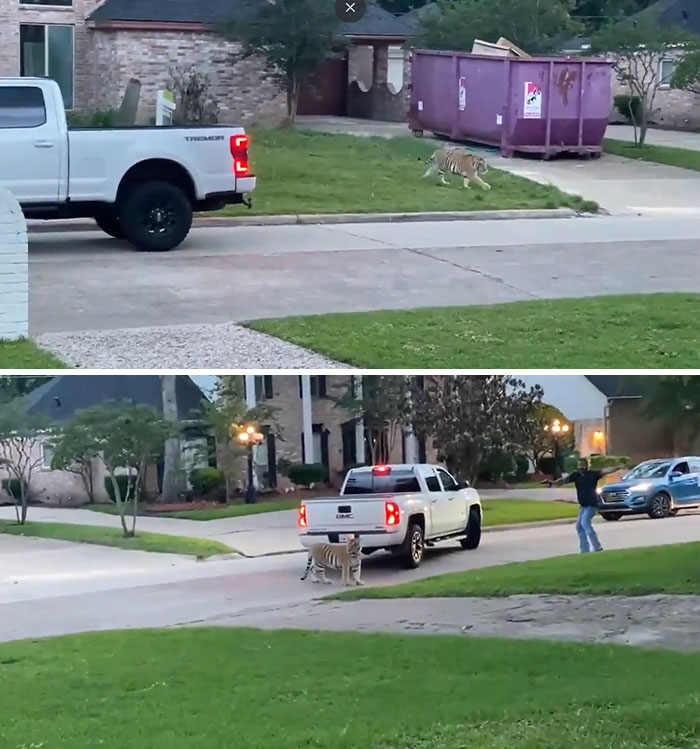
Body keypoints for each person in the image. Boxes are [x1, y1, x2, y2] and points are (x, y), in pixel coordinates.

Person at [552, 458, 625, 553]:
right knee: (579, 527)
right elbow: (564, 481)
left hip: (591, 505)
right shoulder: (576, 475)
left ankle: (597, 547)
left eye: (582, 466)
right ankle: (584, 550)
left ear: (586, 466)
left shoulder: (592, 475)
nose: (580, 468)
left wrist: (618, 467)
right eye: (579, 466)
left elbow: (605, 471)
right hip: (583, 506)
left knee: (585, 523)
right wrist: (553, 483)